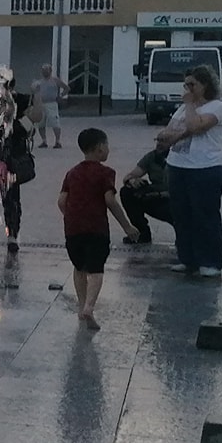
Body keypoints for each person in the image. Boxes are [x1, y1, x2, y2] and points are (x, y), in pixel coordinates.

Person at [57, 127, 140, 329]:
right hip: (96, 228)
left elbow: (61, 201)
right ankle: (89, 307)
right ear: (100, 148)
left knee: (79, 267)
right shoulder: (106, 173)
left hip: (73, 229)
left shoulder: (72, 173)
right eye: (107, 145)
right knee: (96, 270)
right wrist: (127, 226)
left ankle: (81, 306)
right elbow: (110, 200)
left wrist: (72, 217)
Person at [157, 65, 222, 276]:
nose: (188, 89)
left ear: (205, 85)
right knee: (182, 214)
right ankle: (187, 258)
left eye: (192, 84)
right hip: (179, 165)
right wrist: (171, 135)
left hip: (205, 167)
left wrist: (190, 106)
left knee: (204, 214)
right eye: (185, 84)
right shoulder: (182, 109)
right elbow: (168, 132)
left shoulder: (216, 107)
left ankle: (211, 261)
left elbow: (195, 127)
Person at [0, 96, 36, 254]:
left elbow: (31, 129)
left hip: (12, 164)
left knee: (12, 200)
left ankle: (12, 235)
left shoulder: (20, 116)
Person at [119, 144, 173, 245]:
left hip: (177, 199)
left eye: (164, 141)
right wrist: (132, 180)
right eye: (158, 141)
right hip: (156, 198)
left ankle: (185, 235)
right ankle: (142, 233)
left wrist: (160, 194)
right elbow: (129, 176)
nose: (159, 144)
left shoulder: (182, 158)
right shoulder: (151, 157)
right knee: (127, 192)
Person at [31, 64, 67, 149]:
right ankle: (44, 141)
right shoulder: (39, 82)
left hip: (52, 104)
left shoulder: (55, 80)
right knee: (41, 123)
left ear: (50, 71)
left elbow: (66, 88)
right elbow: (34, 91)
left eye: (46, 70)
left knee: (55, 123)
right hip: (41, 104)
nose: (44, 72)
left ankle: (57, 141)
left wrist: (61, 96)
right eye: (43, 70)